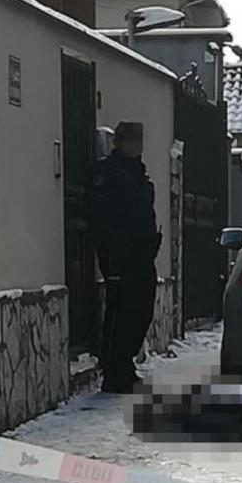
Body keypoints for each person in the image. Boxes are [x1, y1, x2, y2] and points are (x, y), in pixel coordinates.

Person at [89, 122, 162, 394]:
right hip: (120, 256)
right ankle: (112, 370)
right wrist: (110, 258)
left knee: (141, 311)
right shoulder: (108, 173)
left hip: (142, 256)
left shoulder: (139, 174)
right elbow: (102, 218)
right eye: (130, 141)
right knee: (120, 312)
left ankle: (125, 363)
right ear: (119, 143)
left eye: (138, 141)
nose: (135, 146)